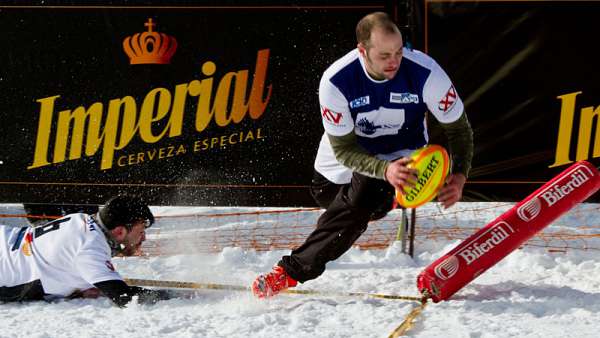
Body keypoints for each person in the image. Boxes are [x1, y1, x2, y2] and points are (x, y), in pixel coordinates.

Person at [252, 12, 473, 298]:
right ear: (362, 51)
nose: (394, 61)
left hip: (402, 166)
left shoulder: (426, 73)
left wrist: (460, 174)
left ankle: (288, 273)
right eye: (384, 55)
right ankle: (382, 196)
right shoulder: (336, 80)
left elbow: (460, 130)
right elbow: (344, 151)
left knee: (366, 195)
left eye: (398, 52)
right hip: (336, 175)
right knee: (359, 200)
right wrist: (384, 170)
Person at [1, 194, 168, 306]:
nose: (143, 238)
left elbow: (65, 260)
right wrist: (170, 296)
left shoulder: (81, 219)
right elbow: (124, 297)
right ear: (120, 231)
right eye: (141, 232)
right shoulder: (91, 248)